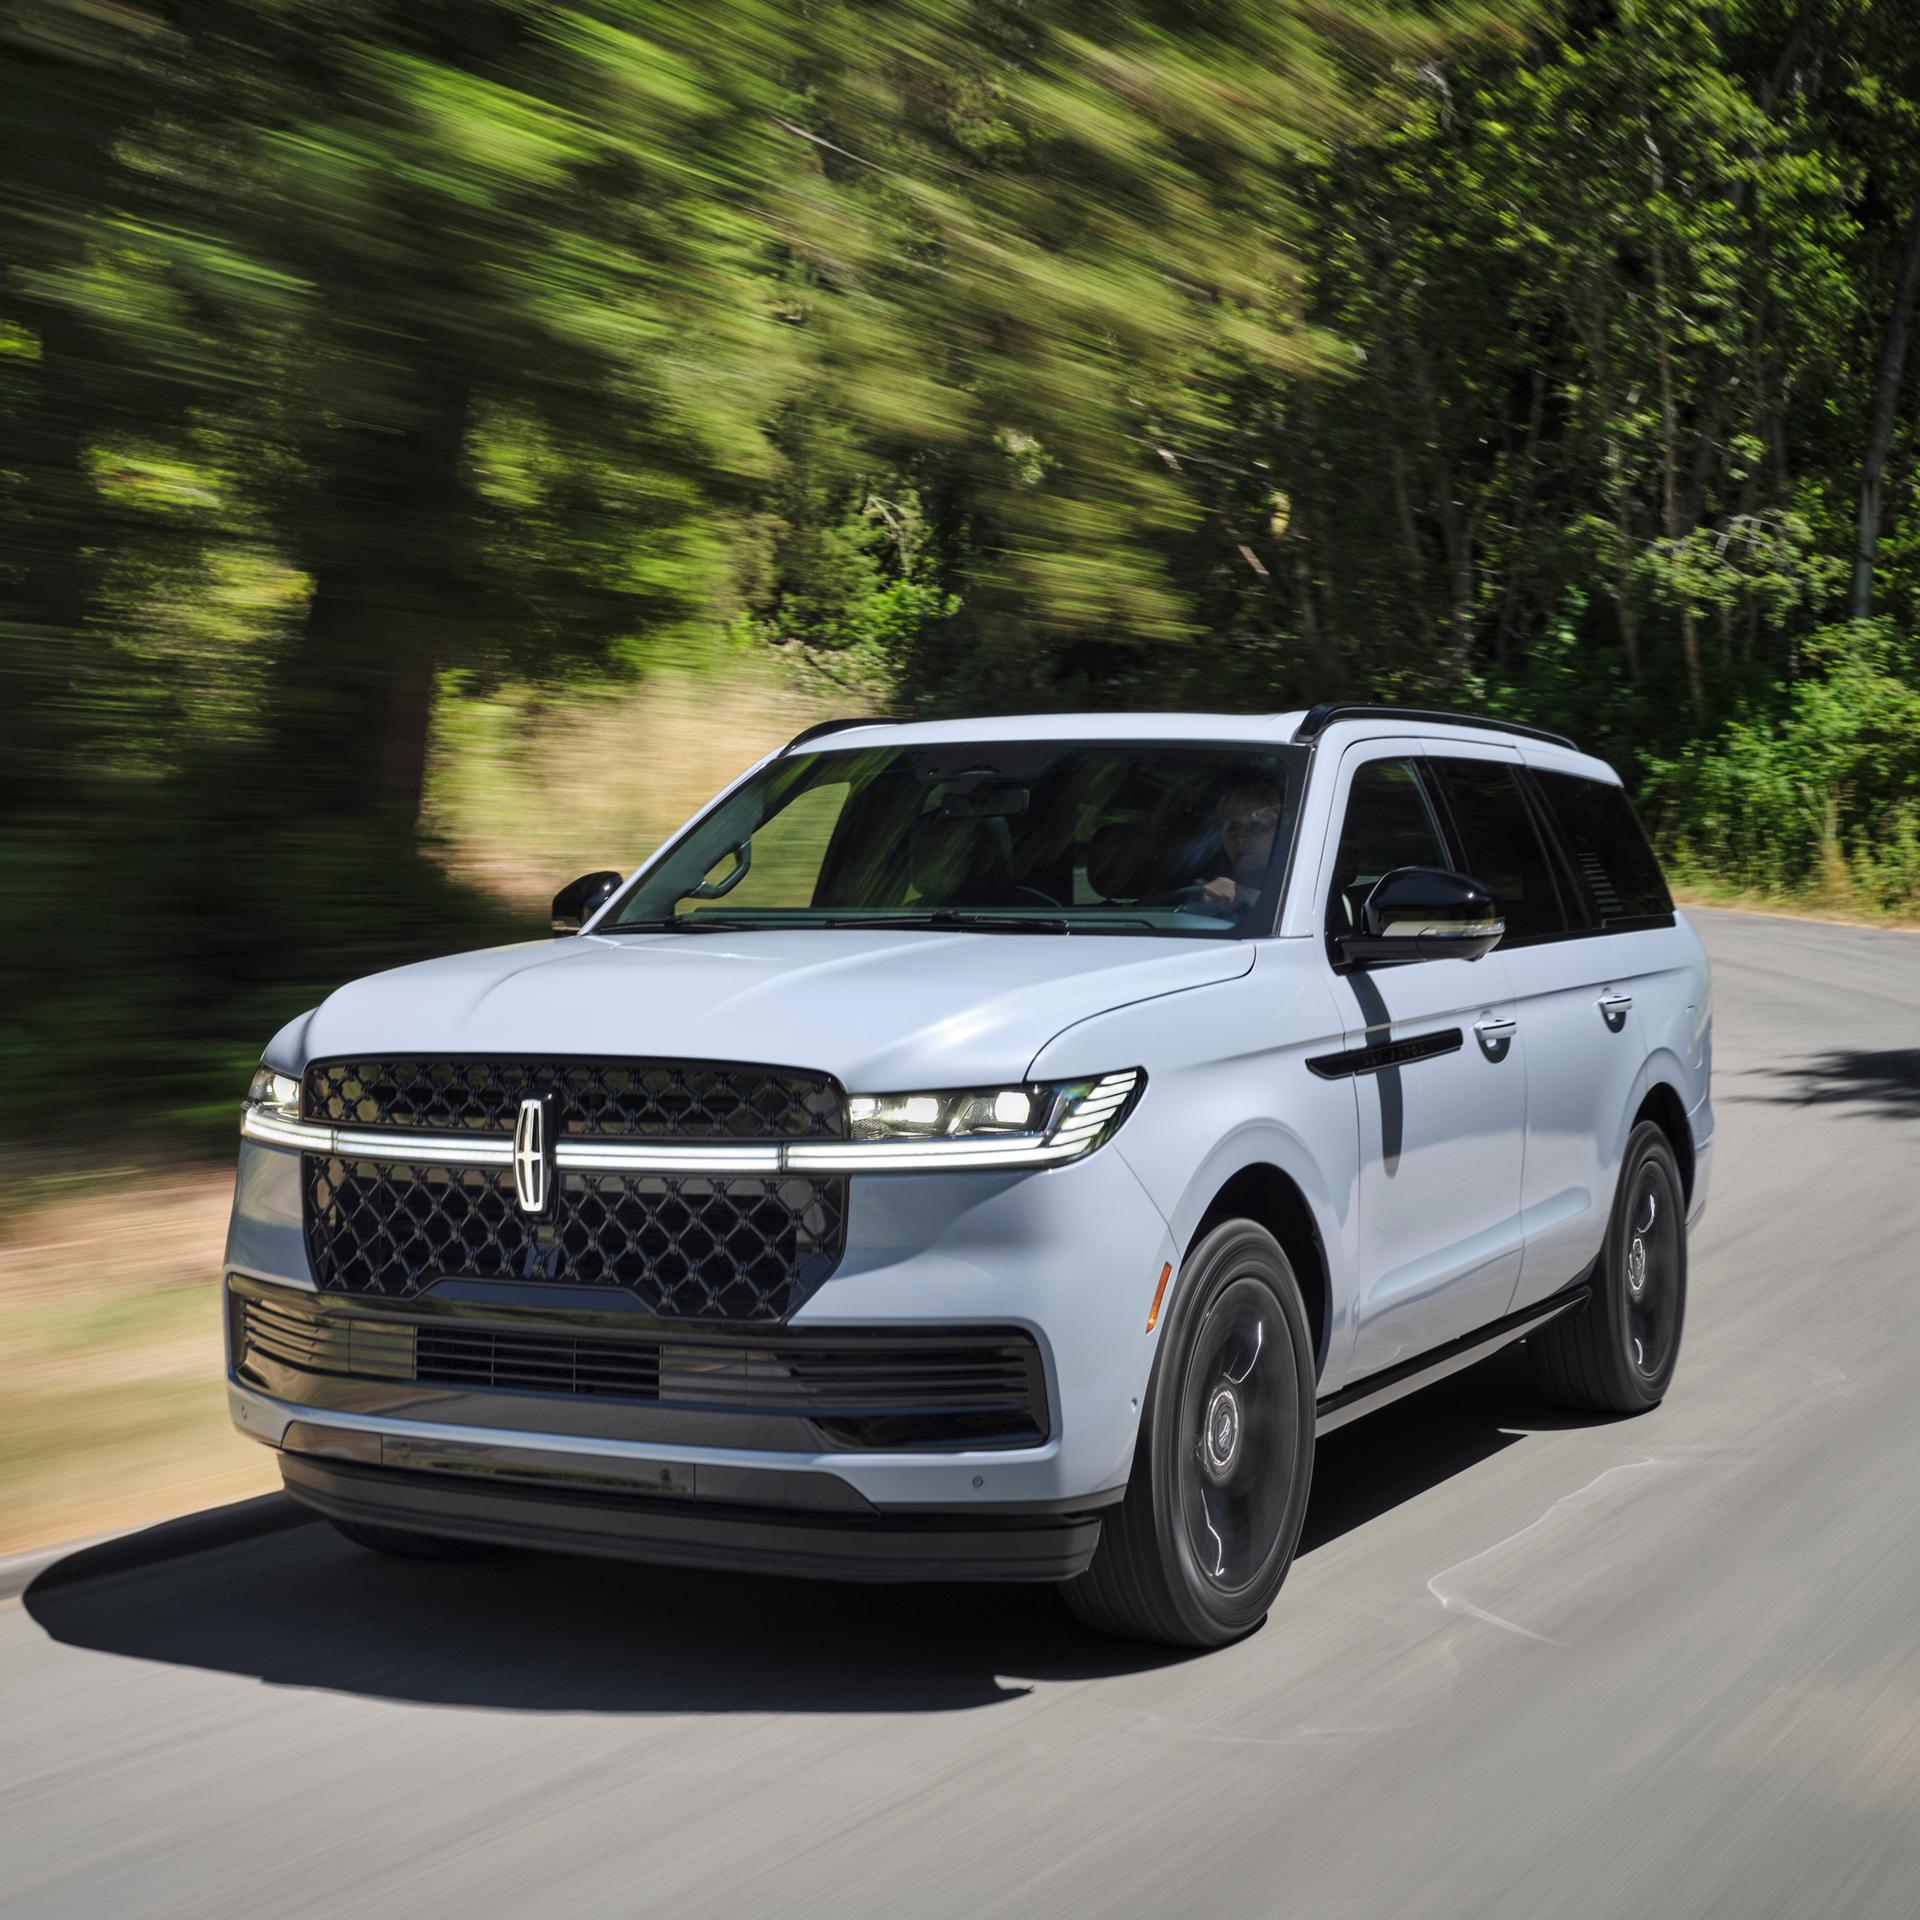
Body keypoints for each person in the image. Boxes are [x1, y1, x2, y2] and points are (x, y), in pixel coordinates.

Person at [1198, 778, 1283, 917]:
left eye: (1256, 827)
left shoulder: (1297, 889)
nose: (1241, 837)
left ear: (1280, 834)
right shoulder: (1207, 887)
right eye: (1232, 828)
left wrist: (1243, 900)